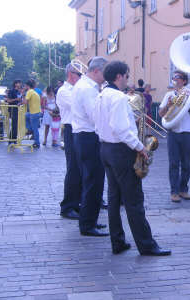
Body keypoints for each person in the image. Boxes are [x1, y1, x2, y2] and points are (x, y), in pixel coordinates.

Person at [94, 60, 171, 256]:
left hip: (106, 148)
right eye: (127, 76)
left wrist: (131, 120)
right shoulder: (119, 98)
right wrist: (140, 148)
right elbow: (120, 129)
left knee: (114, 197)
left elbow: (107, 124)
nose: (128, 79)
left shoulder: (101, 95)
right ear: (119, 76)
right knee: (134, 200)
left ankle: (117, 241)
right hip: (121, 151)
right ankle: (147, 245)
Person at [71, 56, 109, 237]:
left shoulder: (88, 86)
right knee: (93, 182)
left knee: (93, 181)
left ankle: (90, 220)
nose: (106, 76)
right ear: (96, 71)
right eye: (105, 73)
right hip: (88, 137)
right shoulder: (87, 89)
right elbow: (96, 116)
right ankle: (87, 225)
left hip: (85, 137)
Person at [159, 70, 190, 203]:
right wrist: (168, 105)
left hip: (188, 133)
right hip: (173, 132)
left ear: (184, 81)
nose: (175, 80)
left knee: (186, 164)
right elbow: (161, 113)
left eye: (177, 78)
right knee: (173, 164)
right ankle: (174, 192)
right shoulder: (169, 94)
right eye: (173, 78)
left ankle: (184, 189)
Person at [56, 64, 82, 220]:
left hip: (80, 130)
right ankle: (67, 206)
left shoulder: (78, 90)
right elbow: (79, 107)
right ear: (71, 75)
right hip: (71, 129)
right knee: (73, 169)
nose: (81, 77)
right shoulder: (64, 91)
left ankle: (77, 203)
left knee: (81, 169)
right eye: (79, 74)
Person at [23, 79, 42, 149]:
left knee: (35, 129)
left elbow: (25, 102)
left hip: (34, 113)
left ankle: (37, 143)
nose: (24, 87)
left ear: (27, 86)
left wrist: (21, 99)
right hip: (36, 112)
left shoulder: (29, 91)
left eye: (25, 86)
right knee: (26, 115)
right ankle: (30, 129)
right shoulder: (33, 91)